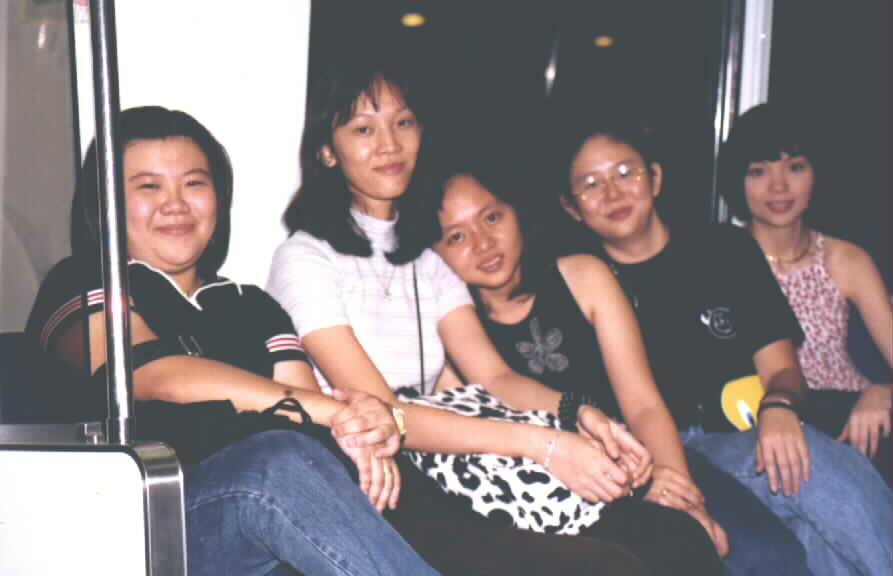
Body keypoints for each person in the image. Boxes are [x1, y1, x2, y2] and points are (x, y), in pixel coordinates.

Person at [267, 52, 721, 575]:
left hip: (445, 467)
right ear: (327, 150)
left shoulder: (425, 258)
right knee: (606, 566)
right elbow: (384, 413)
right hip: (371, 480)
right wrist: (545, 445)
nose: (389, 144)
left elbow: (496, 377)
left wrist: (580, 413)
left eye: (403, 123)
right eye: (363, 129)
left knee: (675, 538)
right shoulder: (304, 258)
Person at [25, 106, 440, 576]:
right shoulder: (82, 279)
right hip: (128, 531)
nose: (175, 204)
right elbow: (152, 373)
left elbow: (309, 419)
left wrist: (360, 433)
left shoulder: (252, 307)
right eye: (148, 187)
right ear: (104, 204)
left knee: (319, 463)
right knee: (275, 464)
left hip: (248, 527)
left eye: (194, 183)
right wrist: (337, 410)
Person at [426, 152, 816, 575]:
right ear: (433, 254)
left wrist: (680, 495)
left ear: (516, 212)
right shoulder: (450, 334)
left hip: (643, 456)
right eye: (456, 237)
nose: (483, 243)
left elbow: (642, 403)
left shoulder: (581, 276)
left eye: (492, 218)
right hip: (554, 500)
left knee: (768, 556)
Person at [552, 113, 892, 576]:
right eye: (591, 184)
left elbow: (782, 369)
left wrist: (779, 408)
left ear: (656, 178)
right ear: (571, 207)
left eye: (626, 172)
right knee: (777, 540)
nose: (613, 193)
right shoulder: (575, 285)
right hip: (654, 460)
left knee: (815, 477)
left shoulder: (724, 250)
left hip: (741, 435)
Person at [720, 103, 891, 483]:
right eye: (759, 171)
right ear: (737, 181)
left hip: (849, 425)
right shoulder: (720, 259)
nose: (779, 186)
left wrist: (885, 392)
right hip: (757, 428)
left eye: (795, 167)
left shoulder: (845, 259)